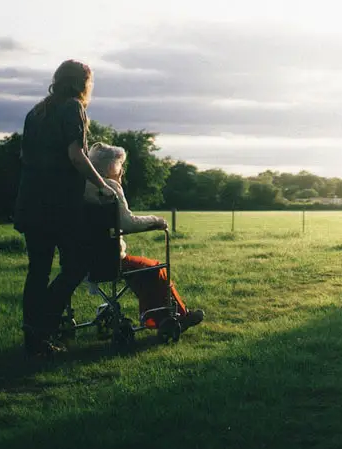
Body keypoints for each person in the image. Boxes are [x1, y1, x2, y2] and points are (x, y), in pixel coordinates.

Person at [14, 59, 117, 357]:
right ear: (83, 83)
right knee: (76, 266)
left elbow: (25, 155)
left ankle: (34, 339)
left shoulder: (36, 111)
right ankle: (42, 326)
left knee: (38, 271)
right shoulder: (73, 107)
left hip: (30, 201)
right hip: (58, 205)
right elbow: (76, 155)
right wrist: (102, 184)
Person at [84, 142, 204, 333]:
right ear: (110, 167)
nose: (122, 170)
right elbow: (128, 223)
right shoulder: (110, 186)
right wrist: (157, 221)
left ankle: (155, 318)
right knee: (155, 268)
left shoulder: (83, 186)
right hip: (109, 259)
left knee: (142, 270)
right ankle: (178, 316)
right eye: (120, 165)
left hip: (84, 259)